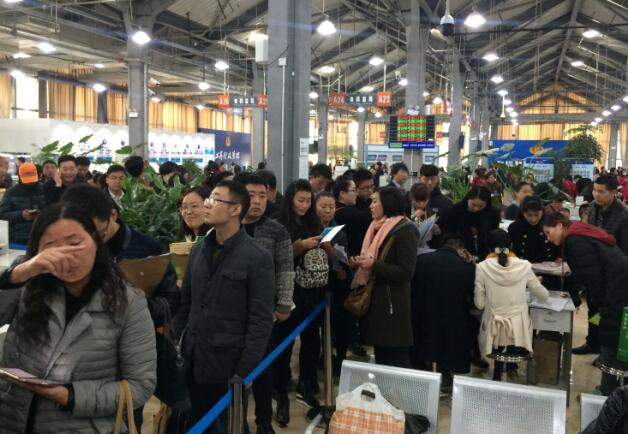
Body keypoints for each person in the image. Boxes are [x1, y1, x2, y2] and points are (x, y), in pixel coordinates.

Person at [0, 203, 156, 433]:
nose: (66, 255)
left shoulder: (127, 301)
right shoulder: (28, 283)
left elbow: (140, 386)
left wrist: (70, 396)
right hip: (12, 421)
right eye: (51, 247)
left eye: (74, 243)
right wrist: (17, 275)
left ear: (96, 241)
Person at [173, 181, 275, 432]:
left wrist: (245, 370)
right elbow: (186, 304)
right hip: (193, 359)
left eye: (216, 200)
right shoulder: (198, 250)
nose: (208, 205)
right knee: (195, 423)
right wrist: (177, 345)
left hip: (229, 364)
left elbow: (260, 320)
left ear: (235, 209)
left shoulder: (257, 257)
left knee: (228, 426)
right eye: (209, 199)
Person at [543, 213, 628, 395]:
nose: (549, 239)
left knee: (611, 336)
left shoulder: (575, 240)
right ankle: (614, 390)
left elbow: (593, 278)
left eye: (549, 233)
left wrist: (601, 305)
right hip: (619, 286)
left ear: (559, 225)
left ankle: (608, 392)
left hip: (617, 291)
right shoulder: (581, 232)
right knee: (616, 336)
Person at [238, 173, 294, 433]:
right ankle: (238, 422)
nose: (258, 201)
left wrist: (283, 305)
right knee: (235, 372)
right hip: (233, 313)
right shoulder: (228, 227)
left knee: (262, 369)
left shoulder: (276, 230)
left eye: (263, 195)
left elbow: (285, 269)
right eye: (251, 195)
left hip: (264, 314)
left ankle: (263, 422)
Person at [351, 186, 417, 368]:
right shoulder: (376, 227)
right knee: (382, 358)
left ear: (388, 203)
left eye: (374, 201)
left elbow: (406, 271)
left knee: (396, 361)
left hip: (393, 306)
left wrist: (373, 265)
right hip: (378, 302)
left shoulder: (404, 230)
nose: (370, 206)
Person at [275, 180, 326, 411]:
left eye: (308, 201)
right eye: (300, 200)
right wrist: (300, 245)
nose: (304, 205)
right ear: (290, 199)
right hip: (289, 291)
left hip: (313, 291)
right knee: (284, 340)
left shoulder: (313, 222)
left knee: (311, 339)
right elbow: (278, 258)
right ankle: (280, 382)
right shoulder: (279, 223)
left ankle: (307, 381)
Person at [474, 229, 549, 381]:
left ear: (489, 248)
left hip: (493, 334)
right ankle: (510, 374)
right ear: (511, 245)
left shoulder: (482, 267)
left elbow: (480, 304)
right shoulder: (524, 266)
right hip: (519, 334)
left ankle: (497, 375)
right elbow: (544, 295)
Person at [412, 233, 475, 385]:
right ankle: (445, 378)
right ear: (461, 249)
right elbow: (471, 295)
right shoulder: (465, 268)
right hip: (453, 318)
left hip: (423, 315)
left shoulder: (422, 260)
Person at [315, 192, 353, 374]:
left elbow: (343, 264)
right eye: (323, 206)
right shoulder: (309, 230)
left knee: (338, 325)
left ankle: (340, 359)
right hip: (315, 286)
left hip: (336, 286)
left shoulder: (340, 233)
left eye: (331, 207)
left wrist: (332, 253)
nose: (327, 211)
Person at [508, 196, 563, 291]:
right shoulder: (515, 228)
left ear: (542, 211)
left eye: (537, 215)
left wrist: (559, 257)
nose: (533, 219)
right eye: (529, 215)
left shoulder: (550, 225)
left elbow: (558, 245)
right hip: (523, 273)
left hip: (548, 273)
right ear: (522, 213)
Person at [439, 186, 500, 260]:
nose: (476, 208)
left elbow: (493, 234)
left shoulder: (492, 214)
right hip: (460, 254)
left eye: (481, 206)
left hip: (485, 255)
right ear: (468, 199)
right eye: (473, 204)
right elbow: (448, 234)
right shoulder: (454, 211)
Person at [0, 163, 46, 245]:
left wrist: (42, 213)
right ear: (20, 177)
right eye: (26, 179)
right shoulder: (11, 192)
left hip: (42, 235)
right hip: (18, 238)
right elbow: (2, 214)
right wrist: (21, 215)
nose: (29, 182)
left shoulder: (45, 189)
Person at [588, 174, 628, 255]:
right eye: (594, 190)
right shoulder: (592, 206)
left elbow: (625, 248)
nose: (596, 195)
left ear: (613, 192)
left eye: (601, 191)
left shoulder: (623, 213)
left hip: (614, 256)